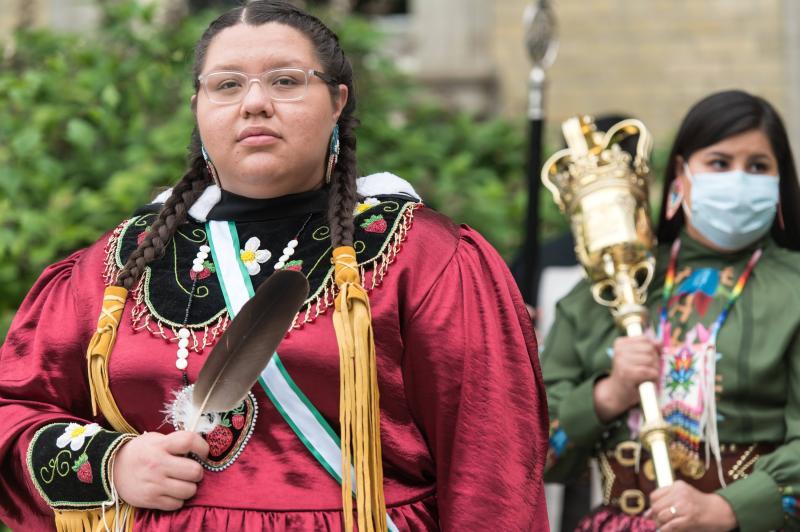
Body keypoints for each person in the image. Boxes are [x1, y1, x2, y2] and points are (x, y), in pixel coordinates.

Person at [0, 2, 549, 531]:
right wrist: (111, 464)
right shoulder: (118, 265)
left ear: (337, 101)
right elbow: (12, 409)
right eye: (227, 84)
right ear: (198, 105)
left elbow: (491, 466)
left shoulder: (421, 255)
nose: (254, 103)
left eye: (286, 81)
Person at [542, 89, 800, 532]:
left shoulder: (794, 289)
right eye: (719, 163)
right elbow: (526, 447)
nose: (738, 179)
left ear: (779, 185)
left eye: (758, 166)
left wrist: (728, 509)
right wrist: (608, 394)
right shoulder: (604, 294)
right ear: (680, 176)